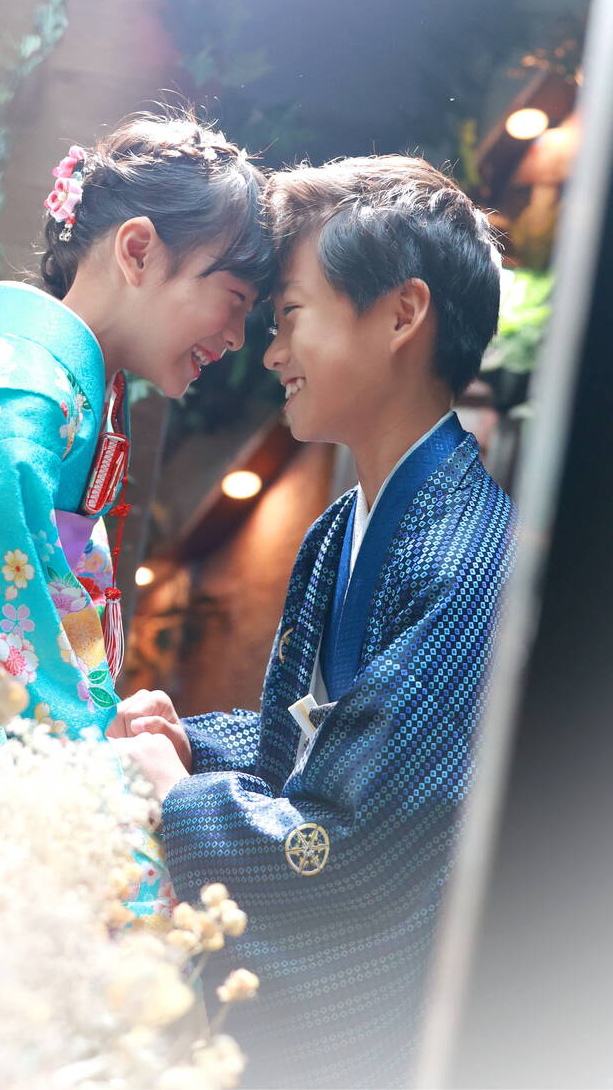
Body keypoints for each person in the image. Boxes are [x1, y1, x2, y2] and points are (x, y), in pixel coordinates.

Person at [111, 156, 517, 1085]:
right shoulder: (345, 525)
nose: (272, 352)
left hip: (367, 1034)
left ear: (402, 315)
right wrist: (191, 743)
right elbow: (309, 747)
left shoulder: (464, 559)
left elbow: (351, 852)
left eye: (291, 314)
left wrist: (178, 796)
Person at [0, 112, 275, 905]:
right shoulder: (19, 401)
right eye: (233, 297)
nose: (239, 336)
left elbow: (39, 614)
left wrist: (105, 726)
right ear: (137, 251)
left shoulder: (57, 398)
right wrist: (92, 762)